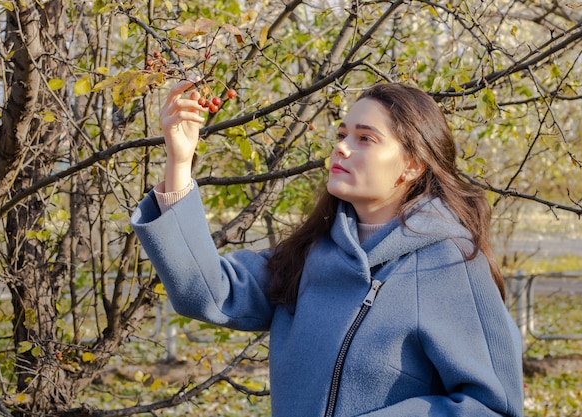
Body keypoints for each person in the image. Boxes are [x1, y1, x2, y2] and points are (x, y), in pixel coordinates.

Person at [131, 81, 524, 417]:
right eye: (342, 135)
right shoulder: (311, 254)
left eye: (365, 138)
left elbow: (489, 405)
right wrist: (179, 164)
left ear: (412, 165)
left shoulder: (450, 261)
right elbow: (205, 291)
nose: (342, 148)